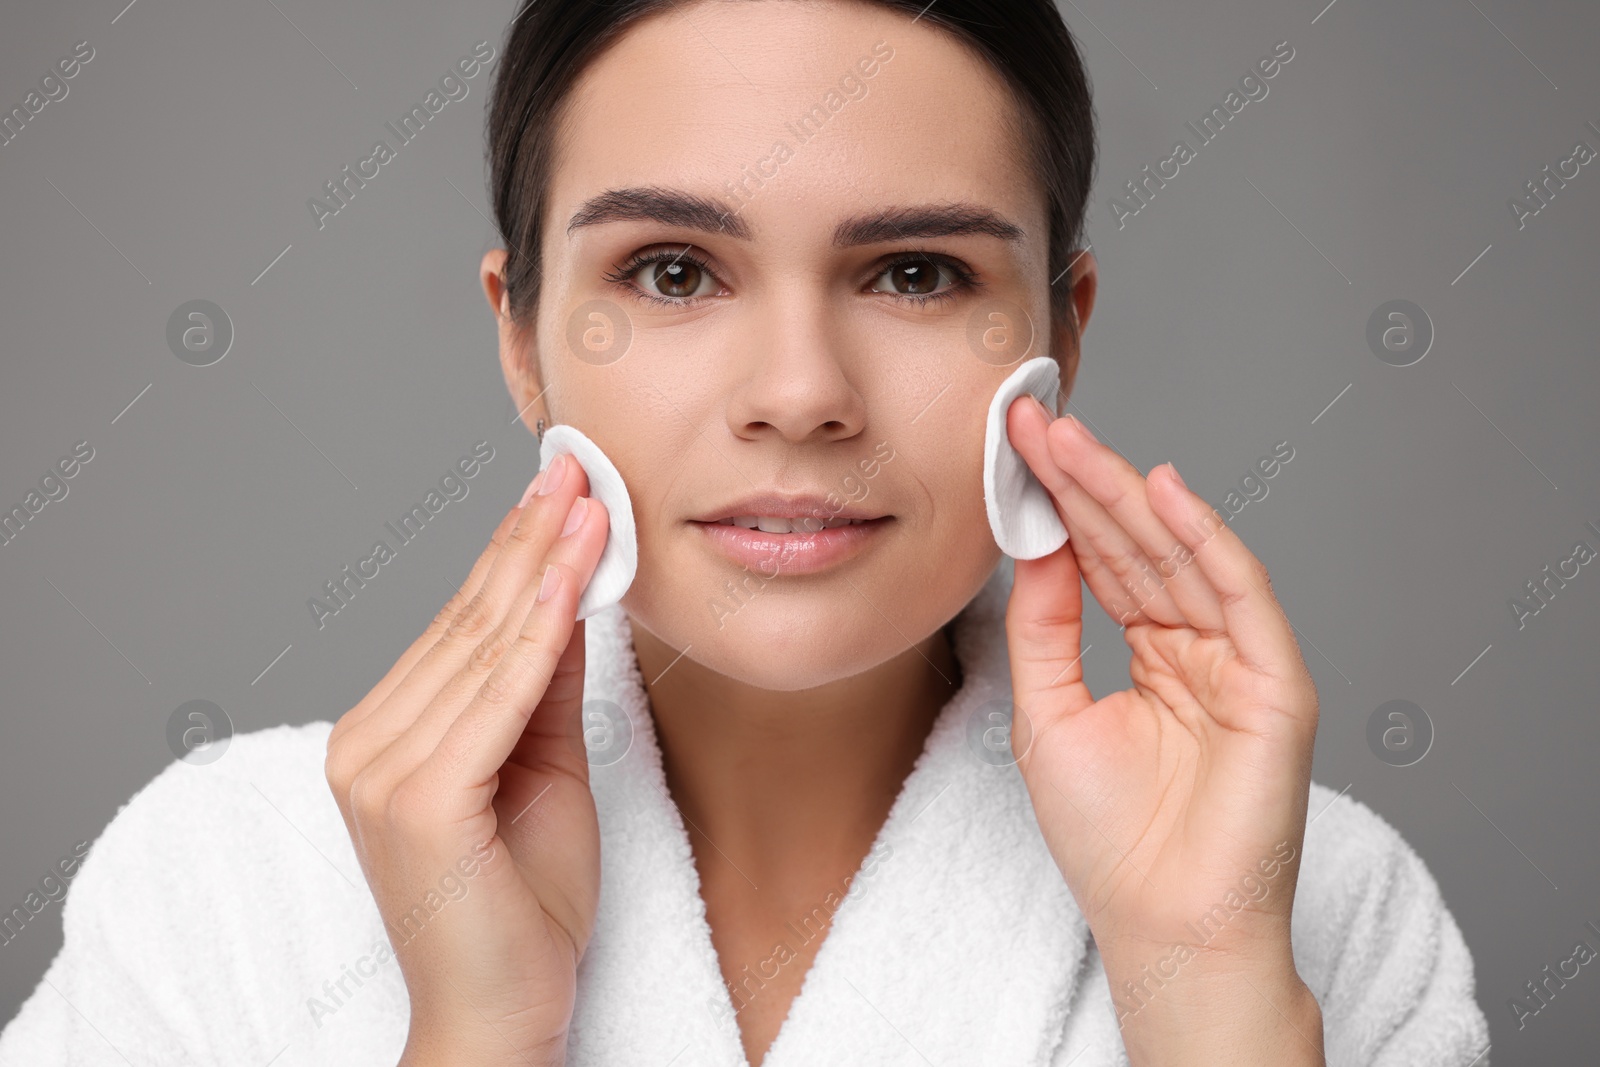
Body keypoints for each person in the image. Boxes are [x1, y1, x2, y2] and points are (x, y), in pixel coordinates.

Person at [0, 1, 1491, 1064]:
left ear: (1060, 334)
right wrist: (473, 1040)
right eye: (668, 272)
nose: (798, 396)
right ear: (522, 339)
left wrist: (1210, 997)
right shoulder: (224, 886)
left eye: (913, 274)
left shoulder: (1317, 909)